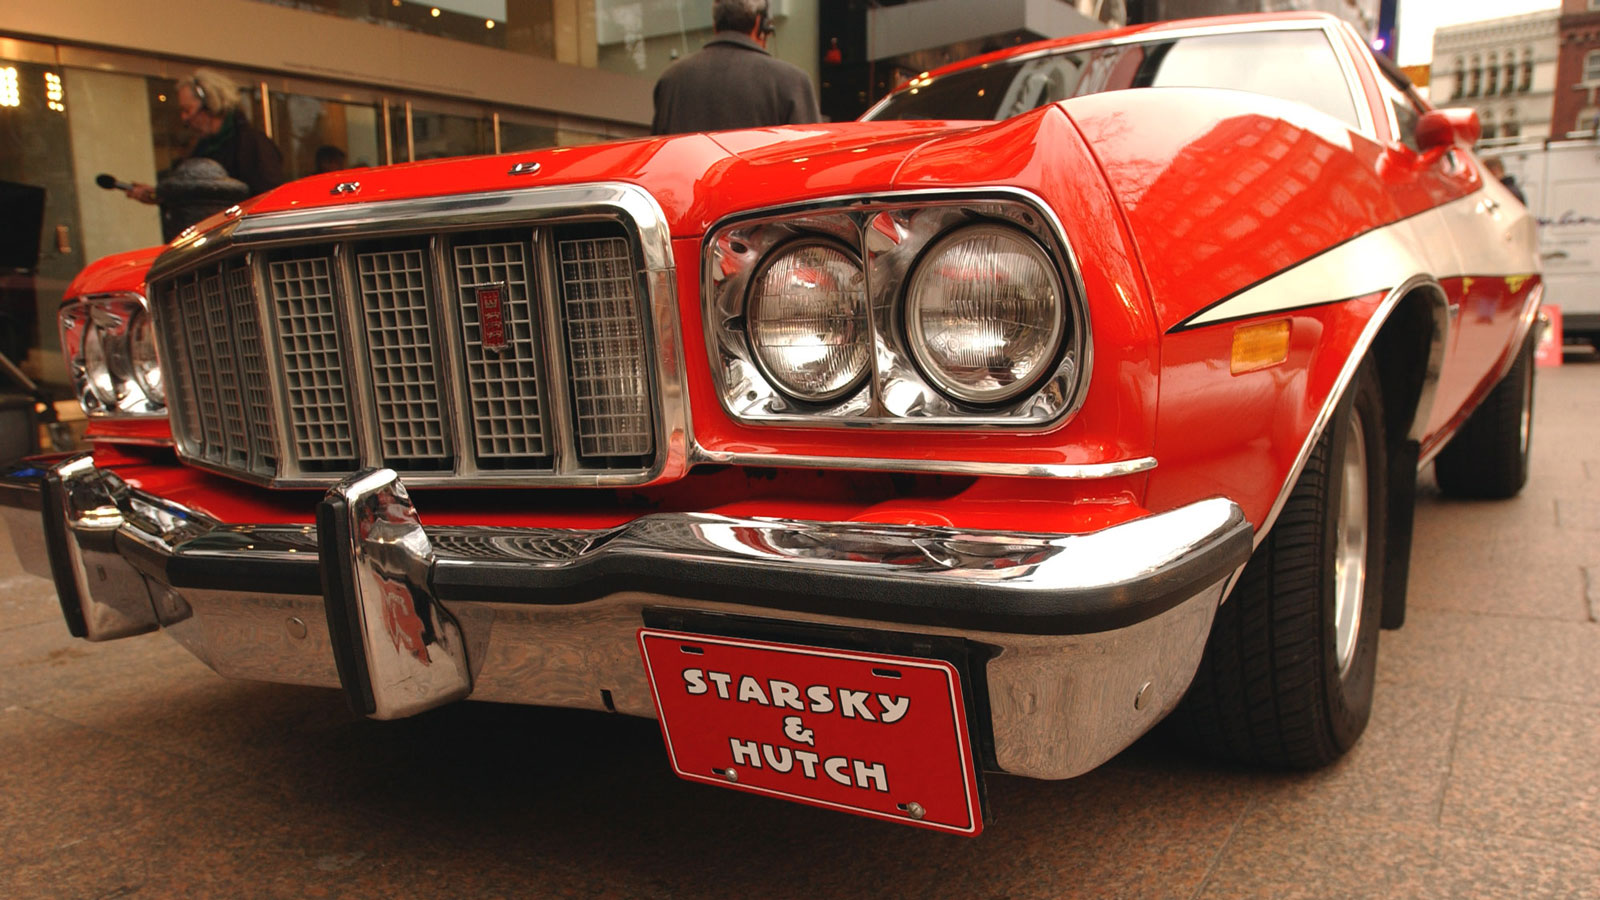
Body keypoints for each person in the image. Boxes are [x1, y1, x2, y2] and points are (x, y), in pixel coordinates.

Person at [651, 0, 820, 135]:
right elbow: (812, 157)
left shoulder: (671, 80)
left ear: (715, 24)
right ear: (759, 23)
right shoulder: (793, 82)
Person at [125, 68, 285, 205]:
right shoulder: (199, 148)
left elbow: (270, 199)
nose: (184, 118)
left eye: (188, 110)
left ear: (210, 105)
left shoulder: (252, 145)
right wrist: (159, 195)